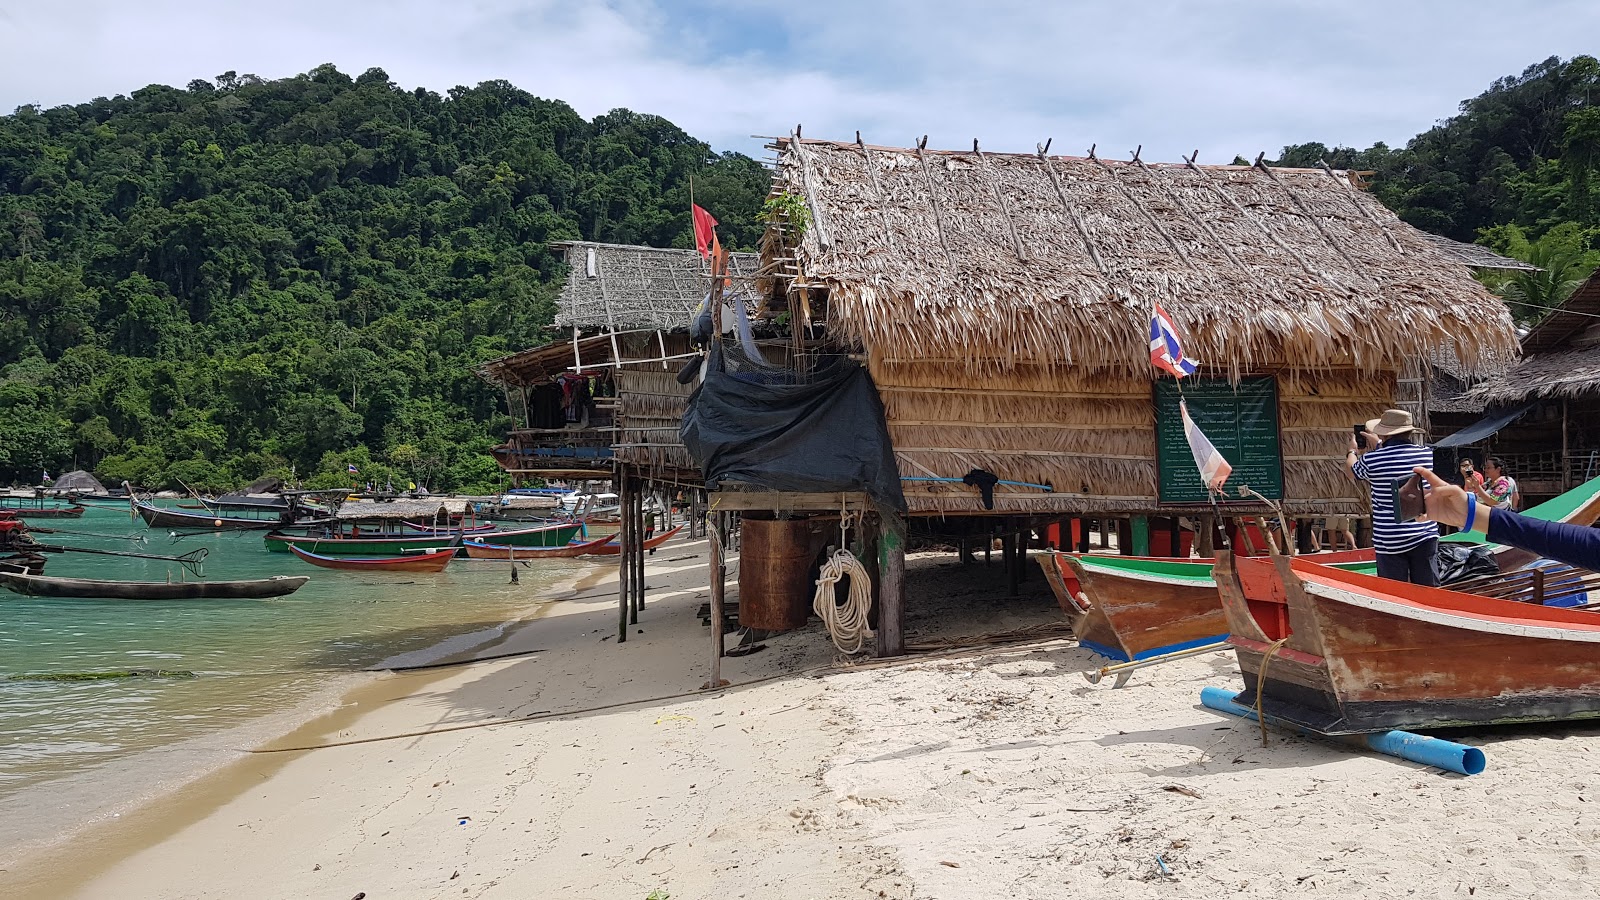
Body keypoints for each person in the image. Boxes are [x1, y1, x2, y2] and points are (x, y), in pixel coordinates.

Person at [1413, 466, 1600, 572]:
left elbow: (1495, 500)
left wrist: (1474, 509)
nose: (1485, 470)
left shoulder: (1502, 482)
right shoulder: (1488, 482)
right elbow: (1574, 543)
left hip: (1501, 511)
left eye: (1488, 467)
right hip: (1495, 515)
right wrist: (1471, 514)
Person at [1346, 409, 1439, 586]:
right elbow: (1397, 458)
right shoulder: (1426, 454)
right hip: (1424, 533)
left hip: (1389, 538)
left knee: (1394, 592)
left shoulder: (1372, 460)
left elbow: (1351, 471)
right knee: (1429, 591)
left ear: (1384, 434)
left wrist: (1352, 452)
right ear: (1410, 431)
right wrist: (1381, 445)